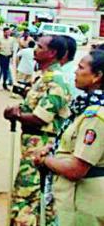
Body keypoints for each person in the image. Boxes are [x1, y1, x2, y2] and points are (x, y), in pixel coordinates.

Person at [4, 35, 72, 226]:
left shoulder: (56, 81)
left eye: (39, 47)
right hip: (31, 147)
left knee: (28, 197)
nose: (35, 49)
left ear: (52, 53)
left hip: (41, 150)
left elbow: (41, 117)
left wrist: (15, 115)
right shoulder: (42, 78)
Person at [33, 50, 104, 226]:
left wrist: (46, 161)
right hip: (75, 199)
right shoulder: (85, 107)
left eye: (81, 68)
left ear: (97, 76)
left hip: (85, 202)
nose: (75, 72)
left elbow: (77, 169)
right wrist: (53, 150)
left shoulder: (95, 116)